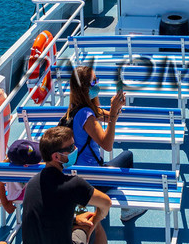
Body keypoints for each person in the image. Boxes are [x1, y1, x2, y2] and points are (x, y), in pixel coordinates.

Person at [22, 125, 113, 244]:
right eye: (70, 148)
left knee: (81, 219)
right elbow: (106, 203)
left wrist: (75, 220)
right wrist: (95, 220)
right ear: (56, 157)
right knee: (93, 224)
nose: (75, 149)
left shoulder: (32, 184)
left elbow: (46, 214)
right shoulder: (73, 184)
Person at [61, 64, 145, 222]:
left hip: (75, 176)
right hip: (92, 181)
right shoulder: (87, 115)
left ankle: (92, 206)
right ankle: (127, 209)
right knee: (127, 156)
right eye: (94, 81)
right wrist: (113, 113)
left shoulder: (74, 109)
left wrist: (116, 108)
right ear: (85, 88)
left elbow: (106, 115)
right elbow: (107, 145)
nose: (97, 84)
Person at [0, 138, 41, 216]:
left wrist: (6, 204)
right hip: (33, 194)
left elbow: (0, 185)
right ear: (25, 165)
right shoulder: (35, 167)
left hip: (16, 194)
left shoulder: (5, 170)